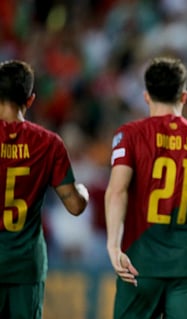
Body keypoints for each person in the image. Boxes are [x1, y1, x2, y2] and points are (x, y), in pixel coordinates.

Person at [105, 56, 187, 319]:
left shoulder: (130, 134)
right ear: (184, 96)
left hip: (138, 264)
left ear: (146, 96)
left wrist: (113, 245)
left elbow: (117, 190)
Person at [0, 59, 89, 319]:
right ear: (30, 100)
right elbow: (74, 206)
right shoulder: (49, 143)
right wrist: (82, 191)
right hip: (25, 265)